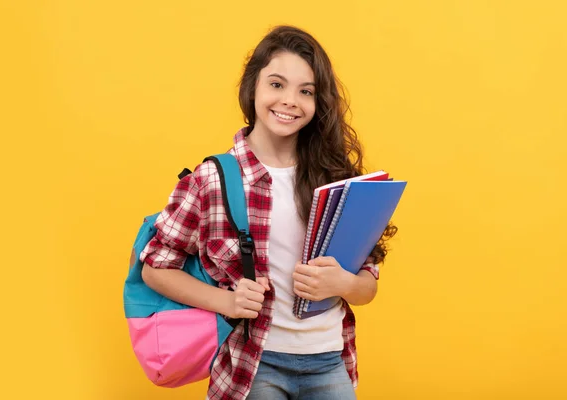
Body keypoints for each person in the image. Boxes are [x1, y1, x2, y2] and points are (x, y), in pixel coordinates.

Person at [140, 25, 397, 400]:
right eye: (277, 85)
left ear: (317, 102)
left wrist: (344, 284)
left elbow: (367, 286)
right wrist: (228, 302)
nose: (290, 100)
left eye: (305, 91)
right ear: (253, 88)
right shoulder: (213, 178)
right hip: (254, 365)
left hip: (329, 360)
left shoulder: (336, 180)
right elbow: (156, 267)